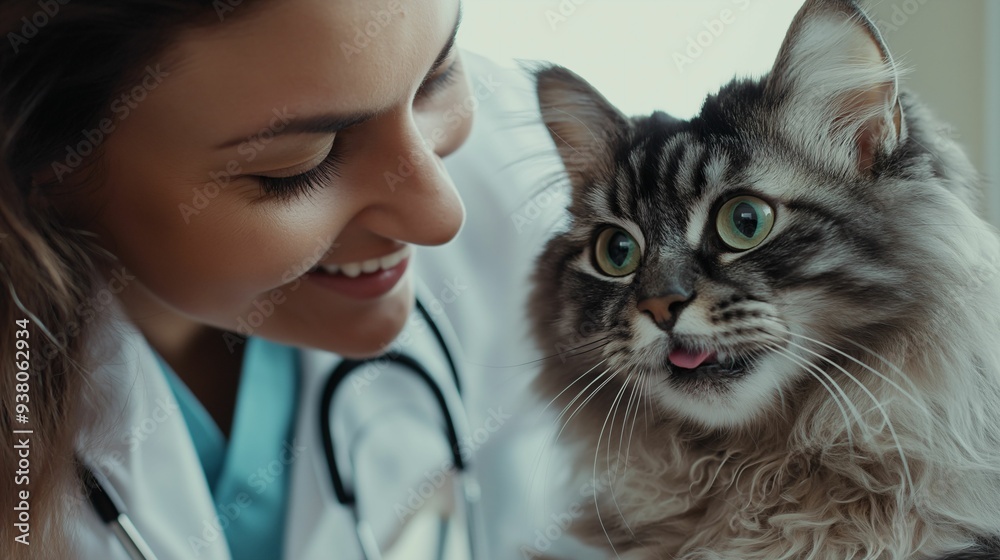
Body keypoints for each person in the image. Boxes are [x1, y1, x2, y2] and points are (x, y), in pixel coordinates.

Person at [0, 0, 580, 558]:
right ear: (42, 165)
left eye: (438, 75)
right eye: (301, 165)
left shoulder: (528, 179)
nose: (441, 216)